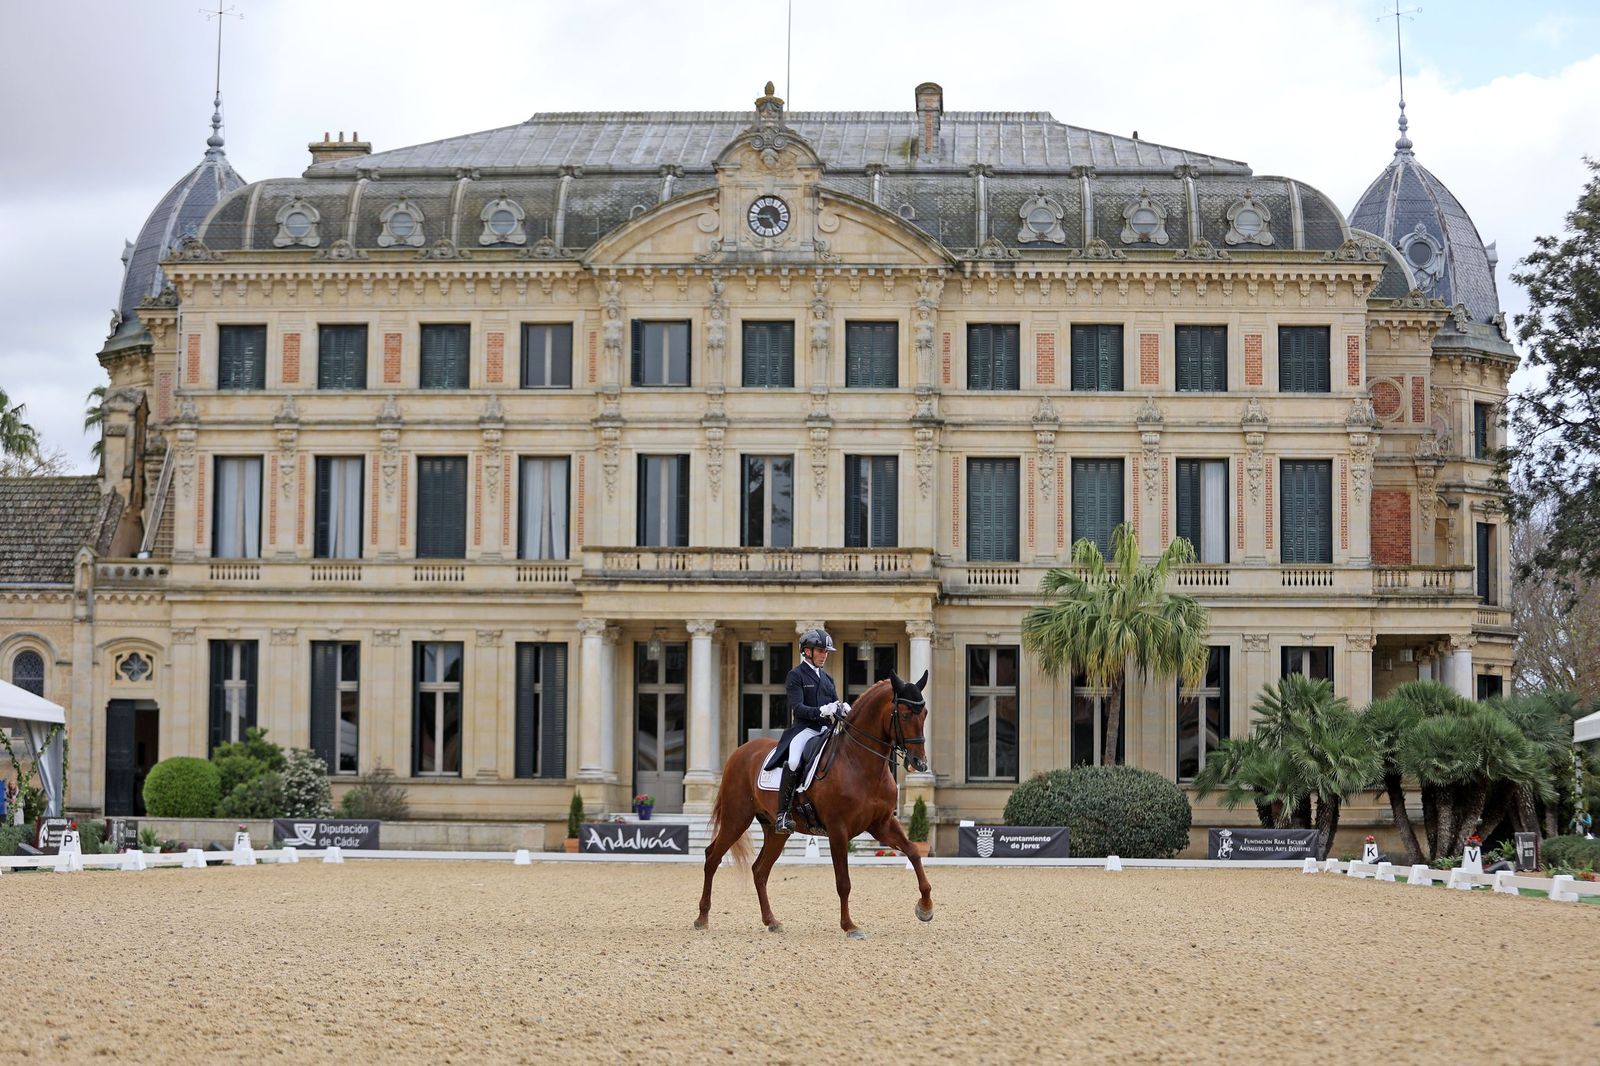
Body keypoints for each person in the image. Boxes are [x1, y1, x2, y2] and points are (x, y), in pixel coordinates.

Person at [763, 627, 848, 833]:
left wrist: (842, 708)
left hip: (827, 730)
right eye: (820, 651)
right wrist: (821, 711)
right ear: (807, 651)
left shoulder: (827, 679)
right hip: (805, 729)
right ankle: (782, 814)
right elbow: (798, 708)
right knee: (793, 761)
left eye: (826, 652)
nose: (824, 655)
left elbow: (834, 702)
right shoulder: (796, 675)